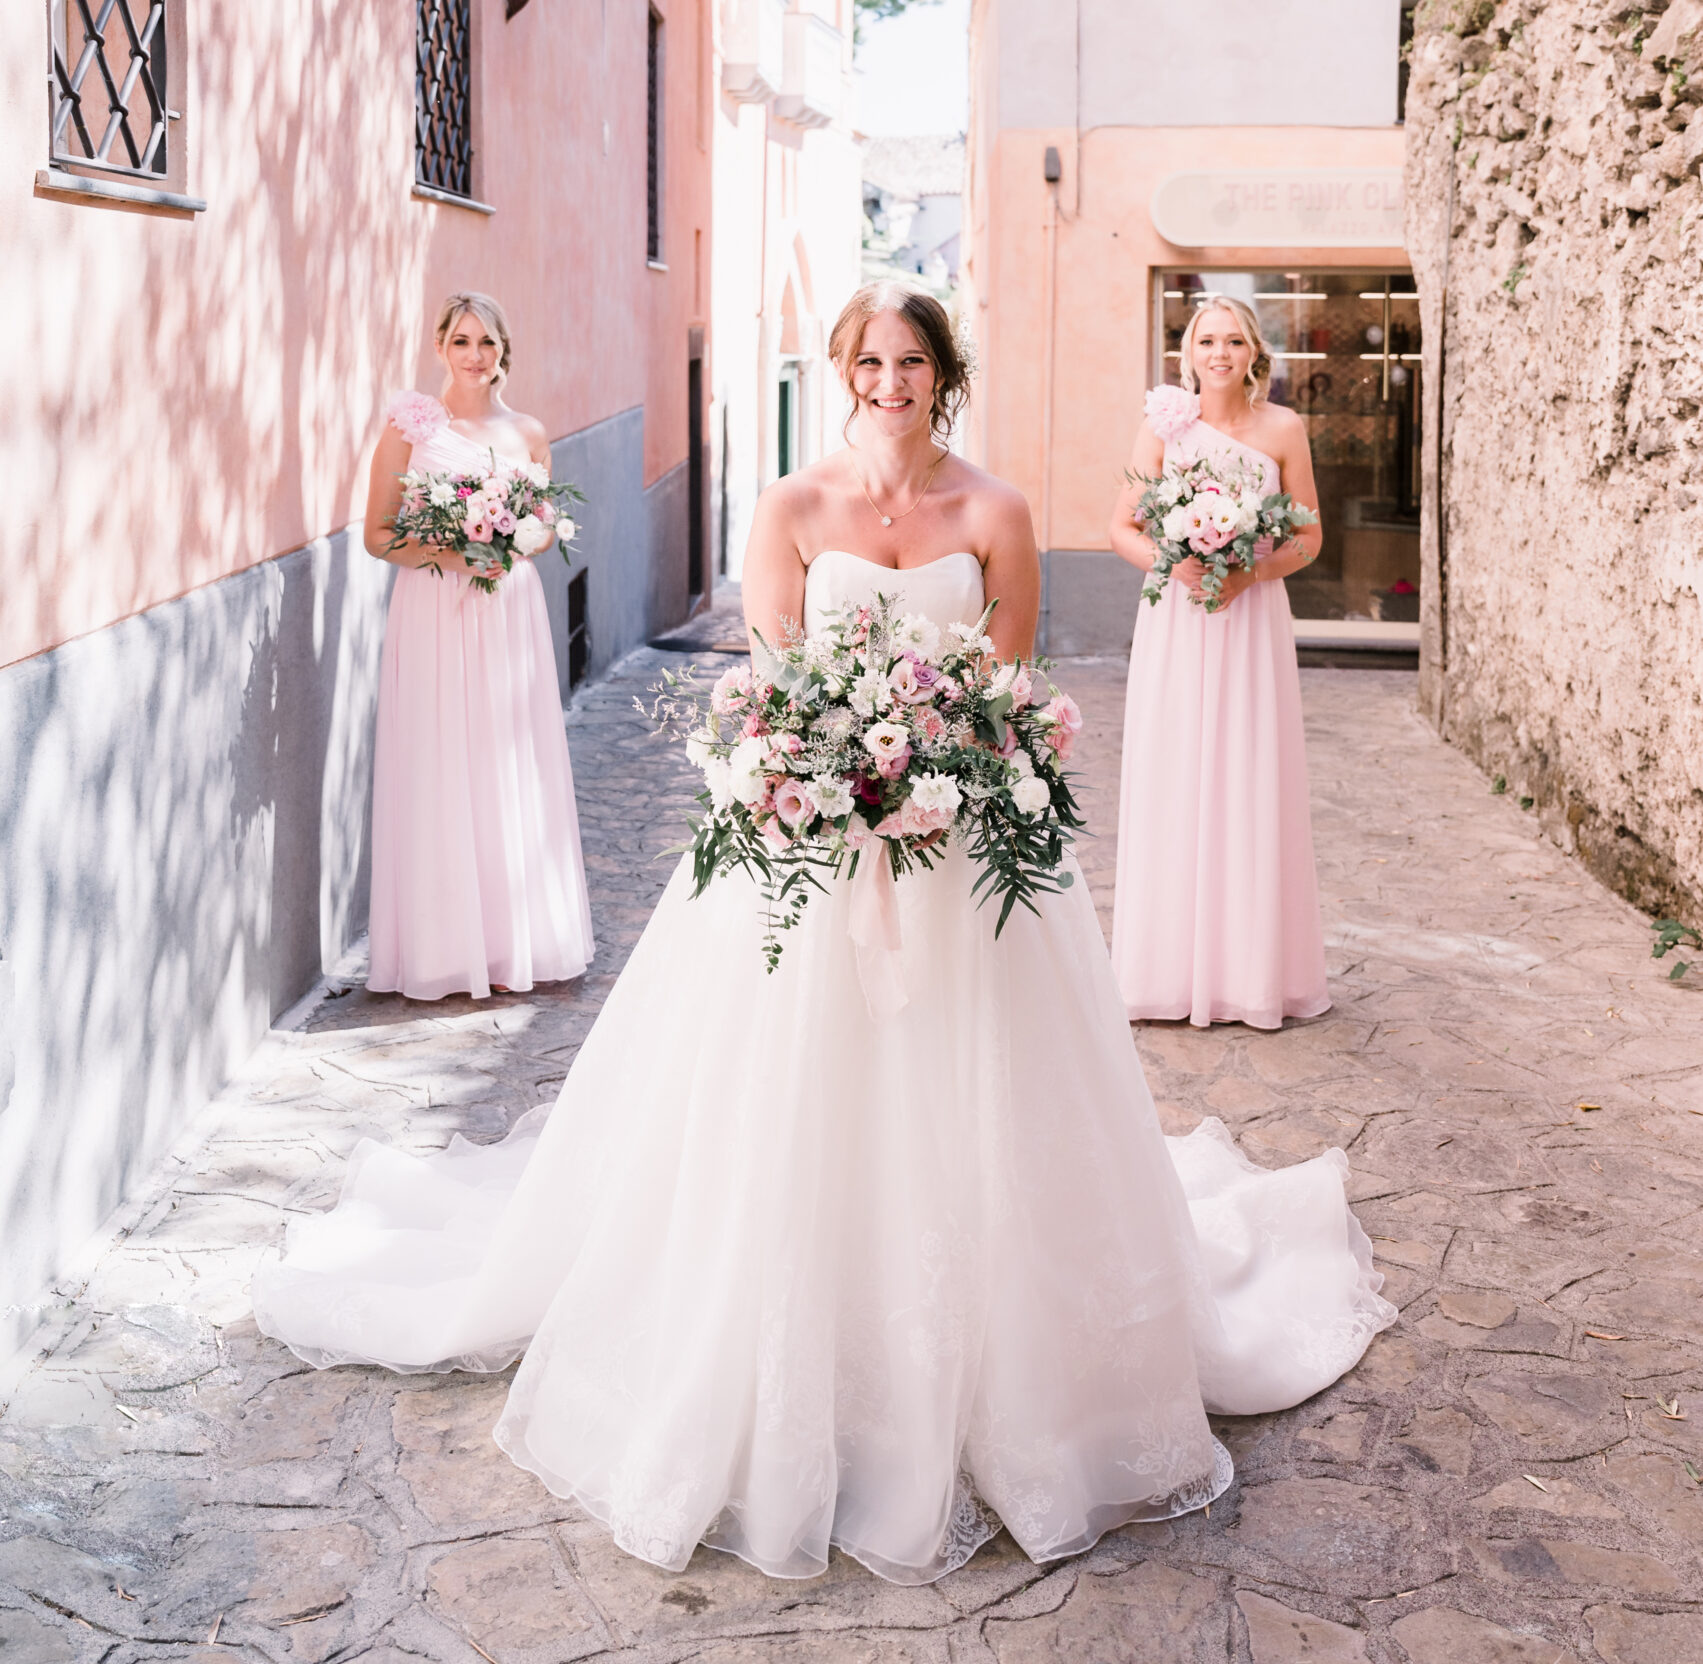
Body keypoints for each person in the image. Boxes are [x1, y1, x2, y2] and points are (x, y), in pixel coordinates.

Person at [254, 282, 1390, 1584]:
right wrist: (833, 776)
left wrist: (933, 776)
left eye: (911, 362)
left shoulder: (995, 510)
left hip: (964, 862)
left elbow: (1006, 688)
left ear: (940, 374)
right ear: (840, 370)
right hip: (806, 852)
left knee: (981, 1110)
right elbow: (776, 678)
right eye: (868, 360)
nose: (889, 381)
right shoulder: (791, 508)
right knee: (781, 1116)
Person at [363, 290, 594, 1001]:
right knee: (440, 760)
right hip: (434, 608)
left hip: (509, 613)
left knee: (508, 757)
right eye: (461, 341)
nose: (474, 356)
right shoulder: (412, 426)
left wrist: (518, 539)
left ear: (503, 352)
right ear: (440, 347)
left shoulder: (528, 431)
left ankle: (512, 941)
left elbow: (547, 526)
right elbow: (377, 534)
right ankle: (440, 947)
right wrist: (463, 553)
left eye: (486, 343)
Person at [1109, 294, 1328, 1030]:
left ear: (1253, 353)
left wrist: (1250, 574)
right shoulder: (1162, 427)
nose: (1220, 354)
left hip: (1250, 618)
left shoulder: (1283, 428)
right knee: (1175, 770)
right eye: (1207, 341)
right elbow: (1121, 526)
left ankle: (1250, 974)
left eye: (1233, 341)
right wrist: (1172, 566)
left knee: (1248, 773)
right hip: (1176, 618)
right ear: (1188, 353)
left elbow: (1308, 535)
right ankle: (1164, 971)